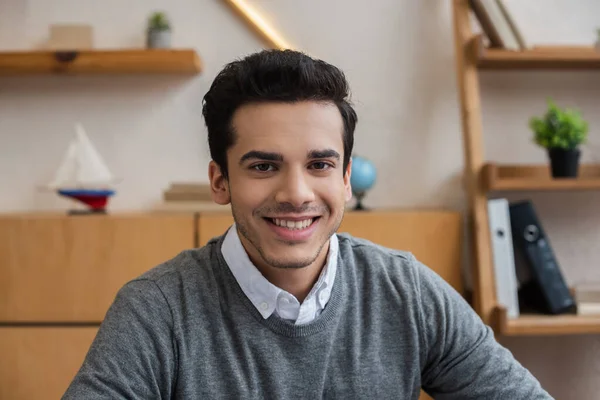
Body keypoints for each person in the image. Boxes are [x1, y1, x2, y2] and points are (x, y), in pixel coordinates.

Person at [63, 49, 552, 399]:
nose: (296, 194)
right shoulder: (158, 310)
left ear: (345, 180)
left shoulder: (407, 292)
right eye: (262, 166)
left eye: (319, 165)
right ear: (220, 181)